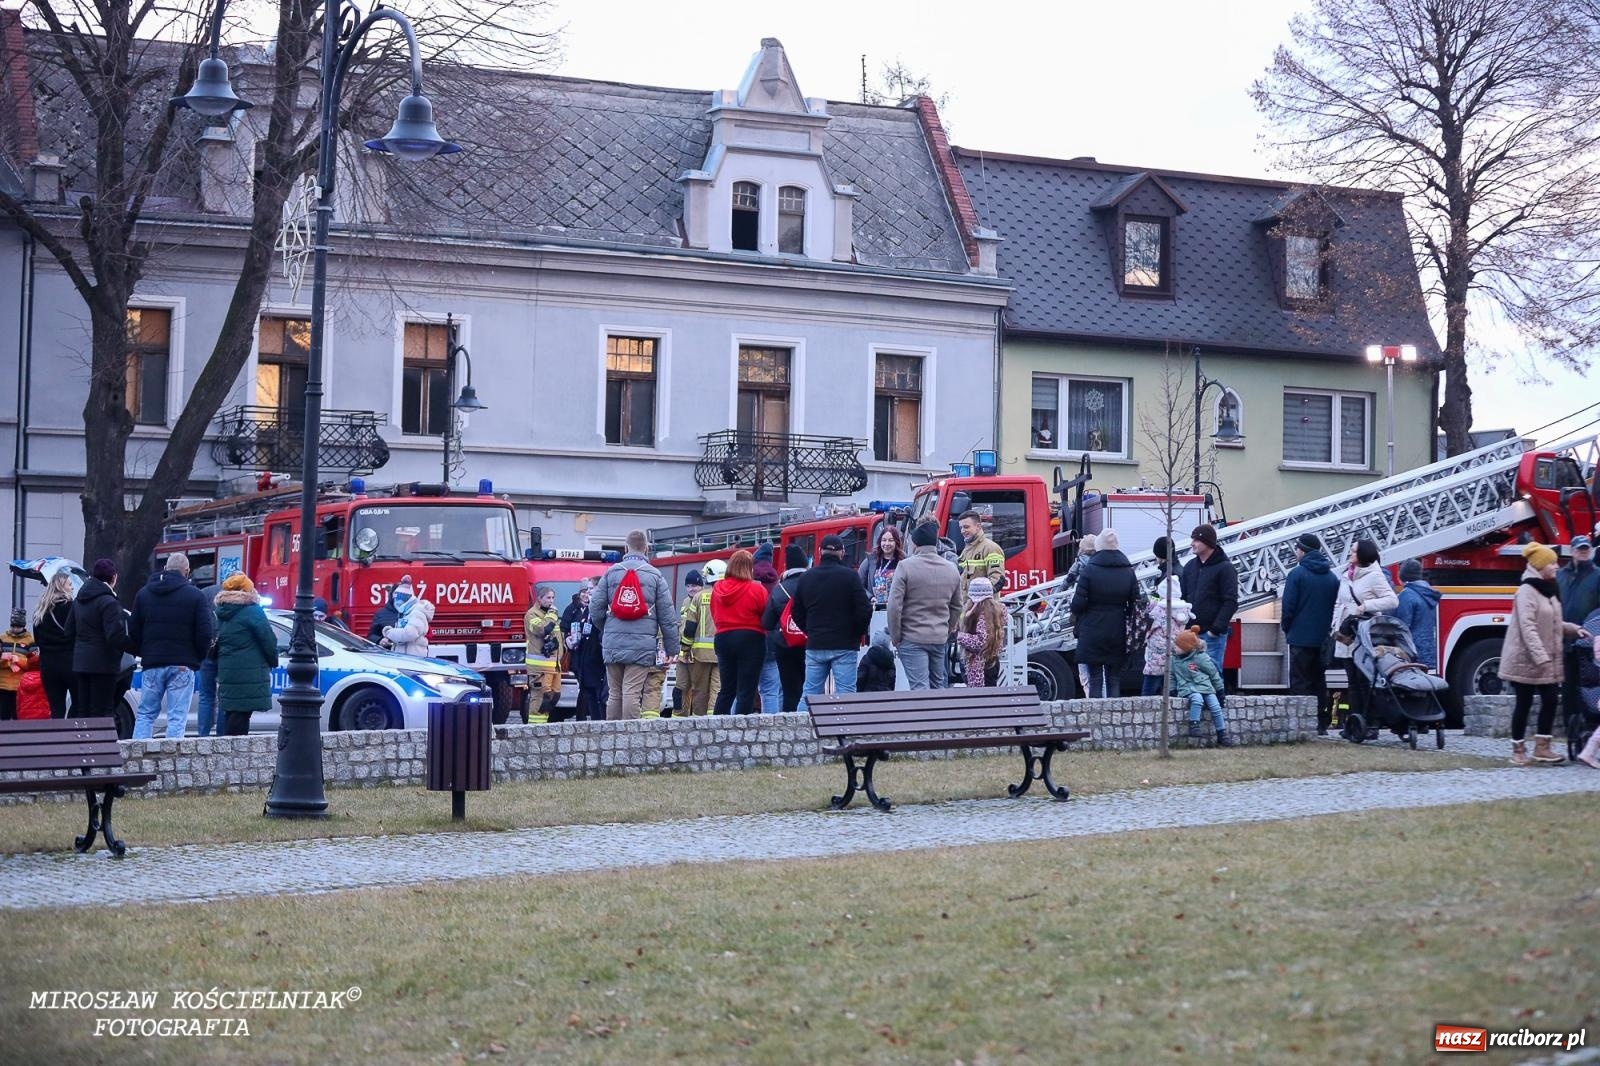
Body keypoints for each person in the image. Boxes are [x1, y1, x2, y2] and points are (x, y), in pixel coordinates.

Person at [1500, 542, 1587, 766]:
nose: (1556, 566)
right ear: (1540, 566)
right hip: (1525, 658)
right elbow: (1527, 627)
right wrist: (1540, 656)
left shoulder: (1549, 588)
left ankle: (1542, 747)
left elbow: (1554, 622)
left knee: (1549, 699)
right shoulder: (1526, 591)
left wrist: (1574, 630)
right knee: (1524, 702)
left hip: (1545, 658)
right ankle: (1518, 750)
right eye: (1552, 563)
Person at [591, 529, 679, 720]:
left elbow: (595, 609)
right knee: (632, 691)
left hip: (613, 643)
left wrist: (607, 629)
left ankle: (612, 737)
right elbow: (667, 616)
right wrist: (672, 648)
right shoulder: (655, 576)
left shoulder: (611, 572)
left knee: (615, 693)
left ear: (625, 548)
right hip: (641, 645)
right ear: (646, 549)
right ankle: (629, 739)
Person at [128, 552, 214, 739]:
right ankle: (172, 761)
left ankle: (138, 756)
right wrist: (197, 658)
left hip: (152, 663)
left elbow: (133, 631)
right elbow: (205, 633)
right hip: (183, 663)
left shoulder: (144, 594)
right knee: (177, 717)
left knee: (145, 714)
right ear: (187, 571)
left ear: (165, 568)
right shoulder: (195, 596)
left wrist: (145, 652)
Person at [1330, 538, 1399, 740]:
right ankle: (1354, 724)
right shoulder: (1346, 575)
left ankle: (1370, 724)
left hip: (1364, 633)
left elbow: (1392, 600)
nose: (1350, 554)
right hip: (1345, 634)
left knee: (1364, 681)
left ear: (1363, 555)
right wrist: (1335, 625)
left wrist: (1366, 606)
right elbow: (1339, 602)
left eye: (1353, 551)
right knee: (1351, 681)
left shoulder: (1375, 575)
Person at [793, 534, 872, 698]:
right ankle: (846, 724)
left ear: (820, 552)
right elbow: (864, 609)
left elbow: (796, 611)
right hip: (844, 644)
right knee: (846, 694)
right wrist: (856, 633)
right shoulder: (850, 576)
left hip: (816, 643)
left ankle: (803, 723)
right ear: (842, 552)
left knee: (810, 694)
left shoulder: (806, 577)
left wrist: (809, 630)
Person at [887, 522, 962, 689]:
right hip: (939, 637)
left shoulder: (905, 567)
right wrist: (946, 631)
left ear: (915, 543)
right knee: (939, 685)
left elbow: (894, 606)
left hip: (912, 637)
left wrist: (896, 636)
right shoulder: (951, 568)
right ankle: (941, 715)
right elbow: (957, 606)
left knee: (919, 687)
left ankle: (923, 715)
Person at [1280, 532, 1340, 734]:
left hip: (1299, 637)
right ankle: (1321, 723)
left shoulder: (1297, 574)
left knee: (1300, 681)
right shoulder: (1332, 578)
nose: (1296, 552)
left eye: (1297, 548)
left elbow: (1288, 606)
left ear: (1303, 551)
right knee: (1318, 681)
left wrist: (1287, 627)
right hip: (1322, 638)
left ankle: (1301, 723)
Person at [1070, 527, 1140, 698]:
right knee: (1114, 679)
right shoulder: (1128, 571)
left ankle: (1095, 720)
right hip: (1117, 630)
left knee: (1095, 679)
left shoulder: (1090, 570)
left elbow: (1077, 605)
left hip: (1092, 629)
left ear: (1099, 546)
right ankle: (1114, 718)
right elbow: (1135, 604)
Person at [213, 573, 277, 736]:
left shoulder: (222, 611)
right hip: (249, 671)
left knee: (233, 713)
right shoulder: (252, 611)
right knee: (241, 716)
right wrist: (273, 660)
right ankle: (234, 754)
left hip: (228, 670)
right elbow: (268, 639)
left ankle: (228, 748)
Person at [65, 558, 129, 720]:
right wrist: (135, 647)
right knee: (102, 711)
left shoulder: (79, 600)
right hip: (104, 666)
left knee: (83, 710)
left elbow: (69, 631)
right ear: (113, 578)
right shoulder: (109, 602)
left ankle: (82, 744)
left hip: (81, 663)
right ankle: (100, 745)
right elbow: (115, 636)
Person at [710, 550, 772, 715]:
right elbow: (766, 616)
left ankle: (716, 728)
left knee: (726, 689)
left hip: (723, 638)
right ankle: (741, 730)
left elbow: (714, 614)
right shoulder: (756, 589)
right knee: (746, 690)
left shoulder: (717, 588)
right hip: (751, 639)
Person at [1556, 535, 1600, 748]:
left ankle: (1587, 729)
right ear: (1572, 551)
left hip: (1589, 643)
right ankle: (1570, 731)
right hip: (1564, 641)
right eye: (1579, 549)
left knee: (1588, 687)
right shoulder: (1560, 576)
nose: (1583, 552)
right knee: (1568, 687)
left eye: (1586, 548)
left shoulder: (1598, 575)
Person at [1181, 524, 1239, 679]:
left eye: (1196, 539)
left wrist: (1215, 630)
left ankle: (1215, 704)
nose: (1191, 543)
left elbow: (1231, 601)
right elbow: (1183, 598)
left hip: (1212, 635)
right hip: (1191, 634)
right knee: (1192, 675)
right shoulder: (1189, 567)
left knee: (1211, 675)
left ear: (1208, 542)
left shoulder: (1225, 568)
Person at [763, 545, 810, 714]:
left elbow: (767, 622)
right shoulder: (812, 584)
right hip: (810, 644)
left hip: (785, 645)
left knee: (790, 689)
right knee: (811, 685)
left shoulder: (779, 589)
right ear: (805, 564)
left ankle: (791, 725)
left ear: (787, 566)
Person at [1170, 627, 1235, 746]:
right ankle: (1194, 724)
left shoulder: (1200, 657)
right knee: (1197, 699)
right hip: (1187, 688)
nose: (1174, 647)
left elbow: (1213, 674)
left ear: (1187, 648)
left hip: (1206, 687)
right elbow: (1171, 676)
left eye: (1177, 646)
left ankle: (1222, 733)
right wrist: (1172, 690)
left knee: (1215, 706)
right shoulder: (1174, 660)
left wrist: (1220, 691)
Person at [31, 570, 76, 718]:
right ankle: (72, 736)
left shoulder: (40, 611)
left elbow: (37, 639)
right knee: (79, 702)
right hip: (69, 661)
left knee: (56, 708)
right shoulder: (71, 607)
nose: (72, 588)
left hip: (48, 665)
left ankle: (58, 738)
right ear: (61, 587)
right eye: (70, 584)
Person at [677, 569, 720, 716]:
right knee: (681, 688)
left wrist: (686, 648)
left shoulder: (701, 599)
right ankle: (679, 718)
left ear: (702, 585)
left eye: (694, 585)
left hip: (696, 654)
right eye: (688, 586)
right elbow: (683, 626)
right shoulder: (685, 602)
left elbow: (690, 628)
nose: (691, 589)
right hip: (686, 654)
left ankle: (702, 719)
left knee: (701, 690)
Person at [1141, 575, 1192, 696]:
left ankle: (1145, 709)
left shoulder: (1159, 610)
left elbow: (1147, 614)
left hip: (1156, 655)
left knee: (1149, 688)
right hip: (1174, 652)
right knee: (1172, 687)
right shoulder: (1183, 610)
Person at [560, 584, 603, 722]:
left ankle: (586, 718)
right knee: (586, 690)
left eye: (589, 592)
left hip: (592, 657)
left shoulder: (593, 610)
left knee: (591, 691)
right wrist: (569, 639)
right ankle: (582, 718)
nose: (586, 595)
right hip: (579, 656)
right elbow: (564, 627)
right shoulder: (573, 609)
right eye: (584, 592)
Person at [522, 585, 563, 725]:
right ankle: (534, 729)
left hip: (554, 665)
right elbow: (542, 630)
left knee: (553, 697)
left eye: (553, 598)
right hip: (539, 666)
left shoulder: (550, 615)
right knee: (540, 697)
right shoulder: (532, 614)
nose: (551, 601)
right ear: (539, 599)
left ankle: (543, 726)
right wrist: (552, 616)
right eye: (548, 598)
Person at [956, 577, 1007, 688]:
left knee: (980, 698)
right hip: (991, 661)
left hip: (979, 665)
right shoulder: (997, 611)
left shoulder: (983, 613)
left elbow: (981, 641)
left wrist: (959, 636)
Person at [1064, 534, 1098, 694]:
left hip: (1082, 622)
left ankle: (1088, 693)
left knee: (1084, 668)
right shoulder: (1100, 565)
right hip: (1098, 620)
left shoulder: (1079, 564)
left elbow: (1067, 582)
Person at [1393, 558, 1442, 670]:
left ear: (1402, 576)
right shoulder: (1428, 592)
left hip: (1413, 652)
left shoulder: (1407, 595)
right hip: (1429, 650)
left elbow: (1401, 627)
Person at [752, 544, 782, 714]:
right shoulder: (777, 584)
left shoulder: (748, 584)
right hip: (772, 642)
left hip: (751, 640)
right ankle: (772, 729)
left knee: (742, 689)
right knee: (770, 691)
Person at [381, 575, 435, 657]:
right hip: (405, 658)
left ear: (408, 598)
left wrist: (389, 632)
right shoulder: (405, 612)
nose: (397, 602)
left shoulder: (417, 613)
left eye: (401, 598)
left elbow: (409, 634)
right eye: (395, 598)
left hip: (414, 659)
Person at [956, 510, 1006, 598]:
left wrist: (980, 600)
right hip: (967, 608)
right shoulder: (966, 551)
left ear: (978, 527)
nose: (962, 531)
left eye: (966, 527)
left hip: (983, 609)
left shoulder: (991, 548)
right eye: (961, 528)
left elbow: (997, 580)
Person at [0, 609, 38, 721]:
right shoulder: (2, 639)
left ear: (23, 626)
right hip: (3, 685)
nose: (15, 629)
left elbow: (33, 665)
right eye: (13, 626)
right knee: (3, 717)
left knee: (18, 717)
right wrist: (6, 660)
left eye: (18, 626)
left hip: (20, 686)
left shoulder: (30, 642)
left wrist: (18, 660)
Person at [859, 527, 907, 606]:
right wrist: (870, 597)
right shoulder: (870, 560)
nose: (887, 544)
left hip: (898, 609)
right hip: (875, 609)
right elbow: (859, 584)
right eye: (884, 540)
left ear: (896, 542)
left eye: (891, 540)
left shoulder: (905, 561)